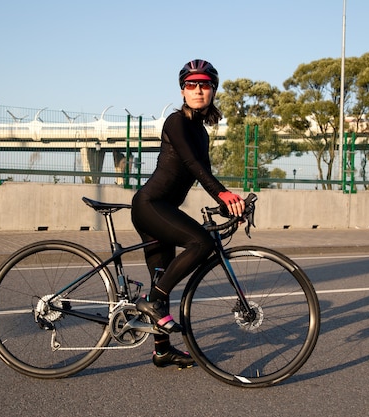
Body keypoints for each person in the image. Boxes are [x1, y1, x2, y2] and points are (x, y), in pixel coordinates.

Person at [131, 59, 245, 368]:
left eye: (205, 84)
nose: (198, 89)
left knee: (162, 275)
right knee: (201, 244)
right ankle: (153, 302)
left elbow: (203, 173)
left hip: (165, 209)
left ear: (212, 91)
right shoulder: (175, 122)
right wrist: (222, 192)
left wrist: (229, 204)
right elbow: (191, 164)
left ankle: (161, 350)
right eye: (191, 84)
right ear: (182, 90)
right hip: (150, 206)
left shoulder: (202, 134)